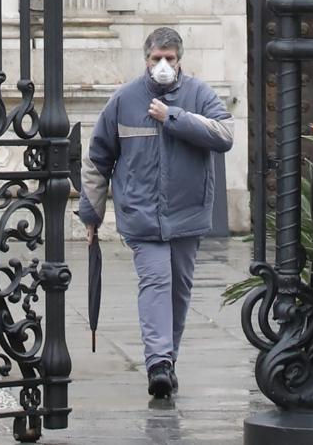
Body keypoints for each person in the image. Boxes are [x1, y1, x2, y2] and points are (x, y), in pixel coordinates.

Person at [76, 27, 234, 399]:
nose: (163, 65)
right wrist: (91, 214)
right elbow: (98, 157)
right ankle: (158, 363)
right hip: (141, 215)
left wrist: (173, 117)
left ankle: (168, 359)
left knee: (179, 290)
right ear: (145, 60)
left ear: (180, 61)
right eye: (156, 59)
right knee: (156, 282)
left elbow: (225, 134)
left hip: (187, 214)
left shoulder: (198, 94)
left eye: (170, 59)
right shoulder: (124, 99)